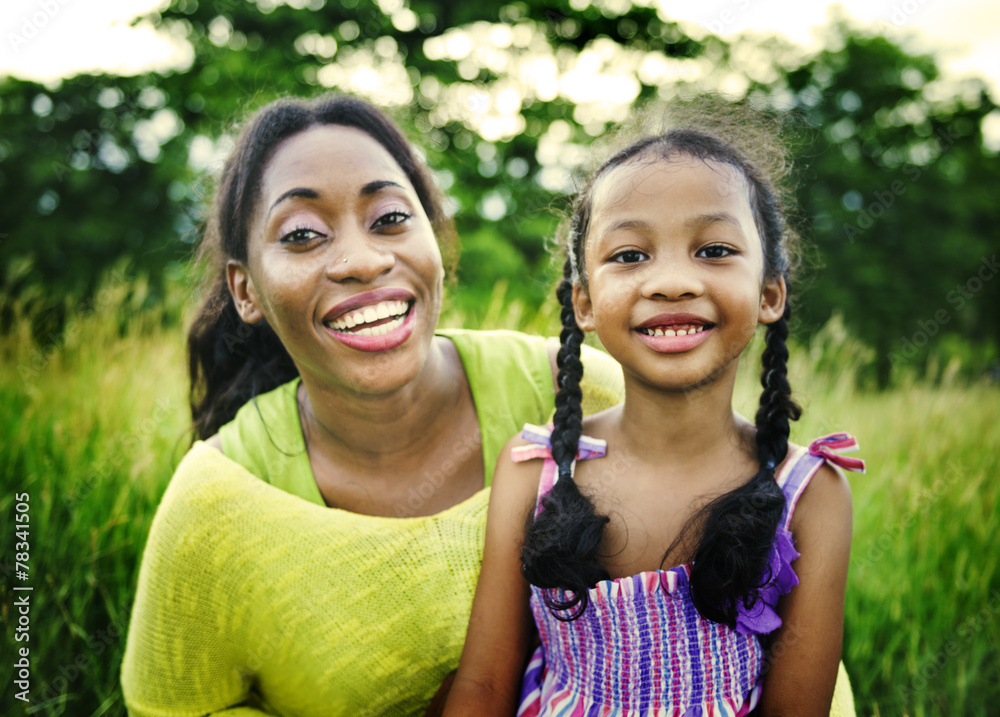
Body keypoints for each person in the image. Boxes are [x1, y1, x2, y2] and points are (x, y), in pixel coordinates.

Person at [119, 94, 625, 716]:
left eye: (388, 218)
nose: (362, 260)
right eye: (302, 235)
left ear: (435, 242)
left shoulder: (584, 396)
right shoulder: (216, 503)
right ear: (246, 290)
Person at [443, 103, 866, 716]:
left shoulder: (809, 494)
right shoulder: (534, 470)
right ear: (584, 303)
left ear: (769, 292)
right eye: (630, 255)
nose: (671, 281)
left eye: (715, 250)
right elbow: (483, 686)